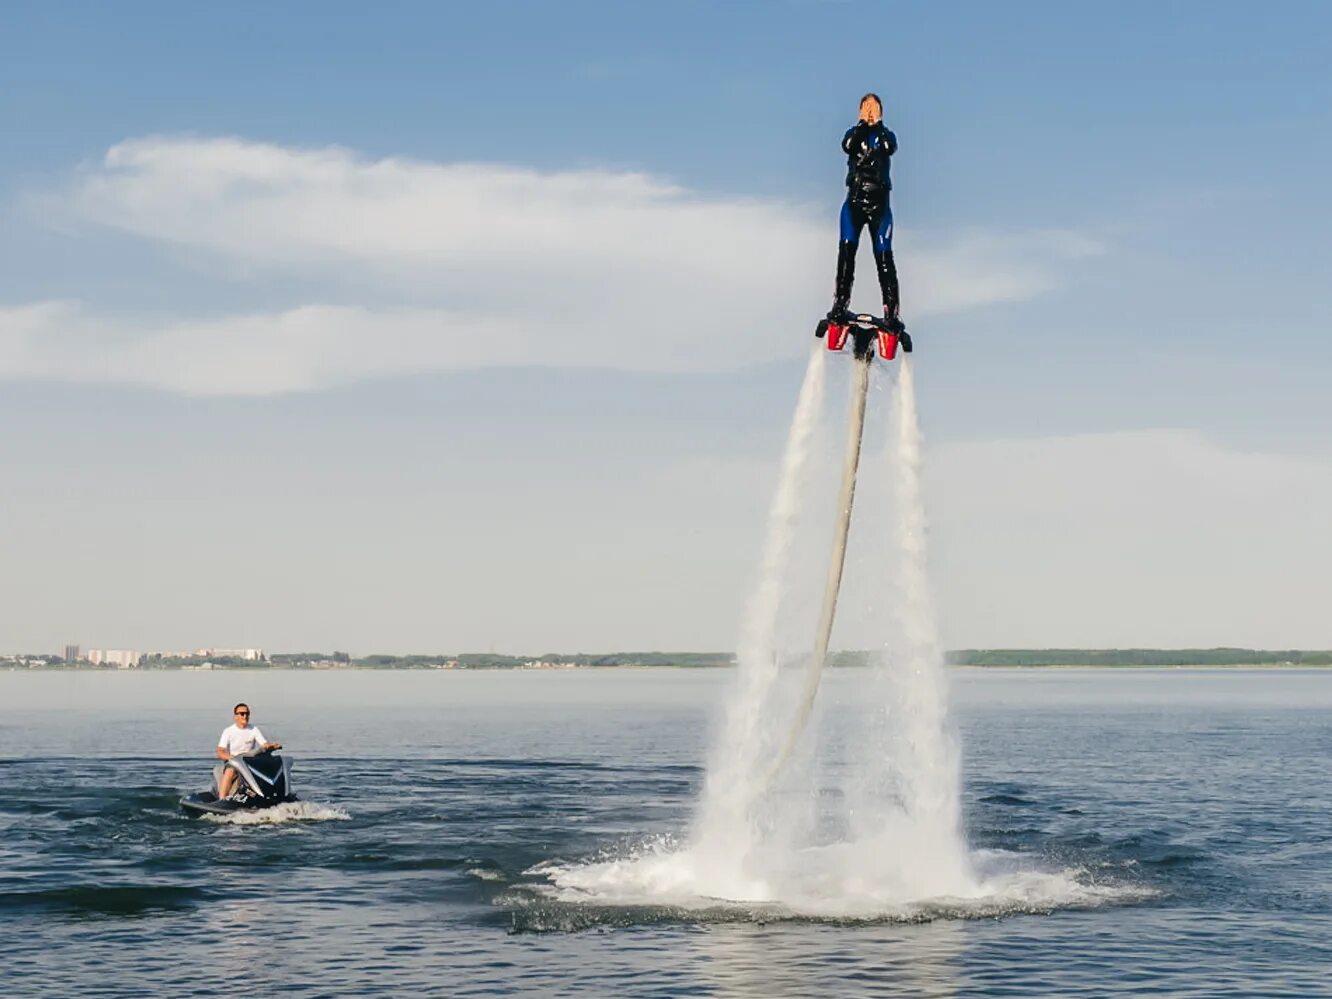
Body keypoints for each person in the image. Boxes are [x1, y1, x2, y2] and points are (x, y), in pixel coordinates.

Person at [827, 92, 905, 333]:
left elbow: (889, 147)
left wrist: (877, 124)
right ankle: (840, 303)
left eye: (874, 107)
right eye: (866, 106)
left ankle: (891, 310)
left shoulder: (886, 135)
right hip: (854, 202)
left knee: (884, 258)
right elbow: (847, 146)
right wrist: (862, 124)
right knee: (847, 254)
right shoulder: (854, 134)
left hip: (879, 206)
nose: (870, 110)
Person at [215, 702, 282, 800]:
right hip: (235, 762)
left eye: (247, 713)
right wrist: (231, 758)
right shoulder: (228, 731)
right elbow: (220, 751)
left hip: (250, 761)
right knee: (230, 770)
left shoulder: (254, 729)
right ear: (236, 716)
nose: (245, 716)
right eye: (242, 713)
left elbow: (264, 744)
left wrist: (272, 746)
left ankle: (276, 795)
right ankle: (222, 799)